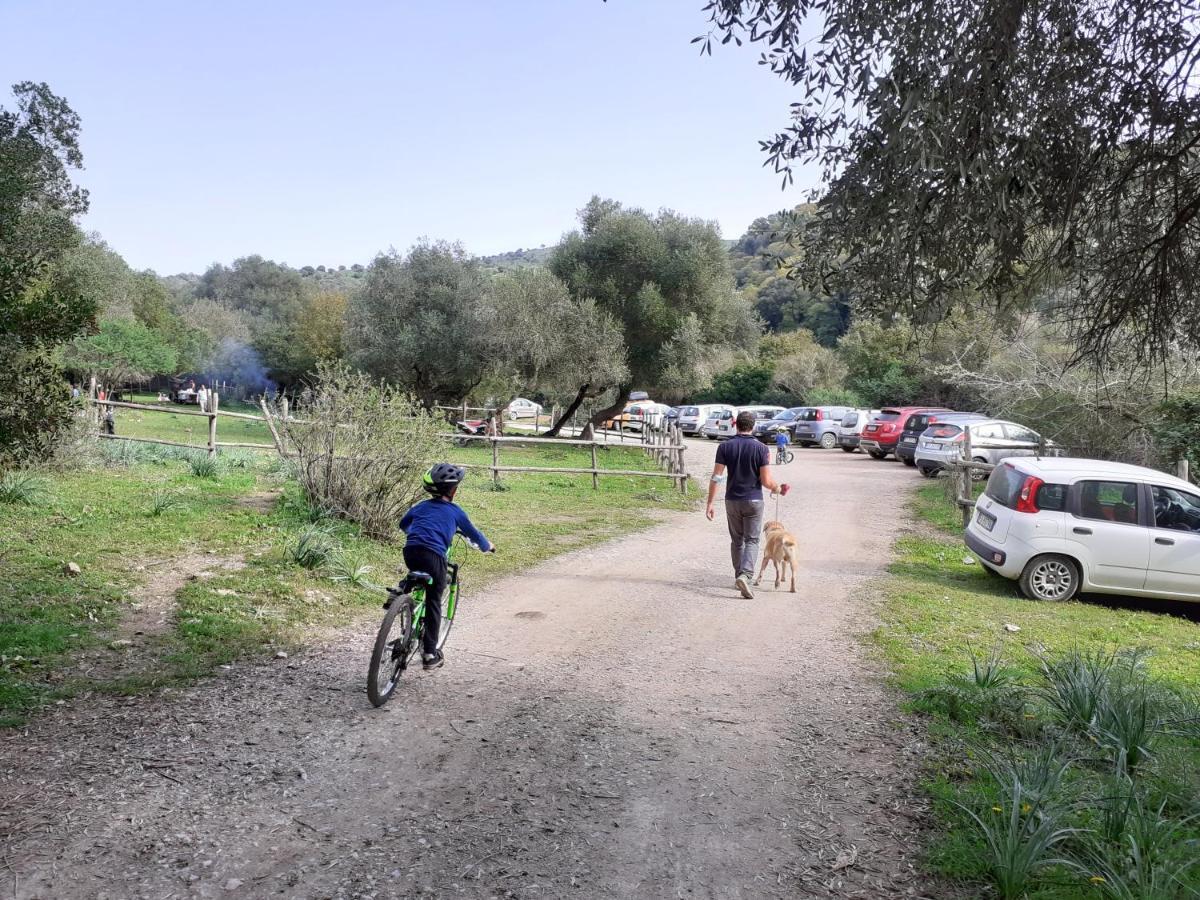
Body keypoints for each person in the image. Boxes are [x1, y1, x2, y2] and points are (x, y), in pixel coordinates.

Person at [399, 463, 495, 669]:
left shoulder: (420, 507)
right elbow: (474, 534)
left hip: (411, 551)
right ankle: (429, 654)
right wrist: (487, 546)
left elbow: (403, 524)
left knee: (415, 571)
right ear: (453, 490)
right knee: (434, 600)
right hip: (435, 556)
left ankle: (401, 590)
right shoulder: (455, 512)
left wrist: (414, 532)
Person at [705, 410, 788, 599]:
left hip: (732, 500)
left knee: (737, 540)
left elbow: (716, 477)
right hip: (754, 500)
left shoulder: (724, 447)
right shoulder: (761, 449)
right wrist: (777, 488)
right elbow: (766, 481)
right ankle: (745, 575)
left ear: (735, 424)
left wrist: (710, 503)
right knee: (752, 540)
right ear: (754, 426)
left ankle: (738, 576)